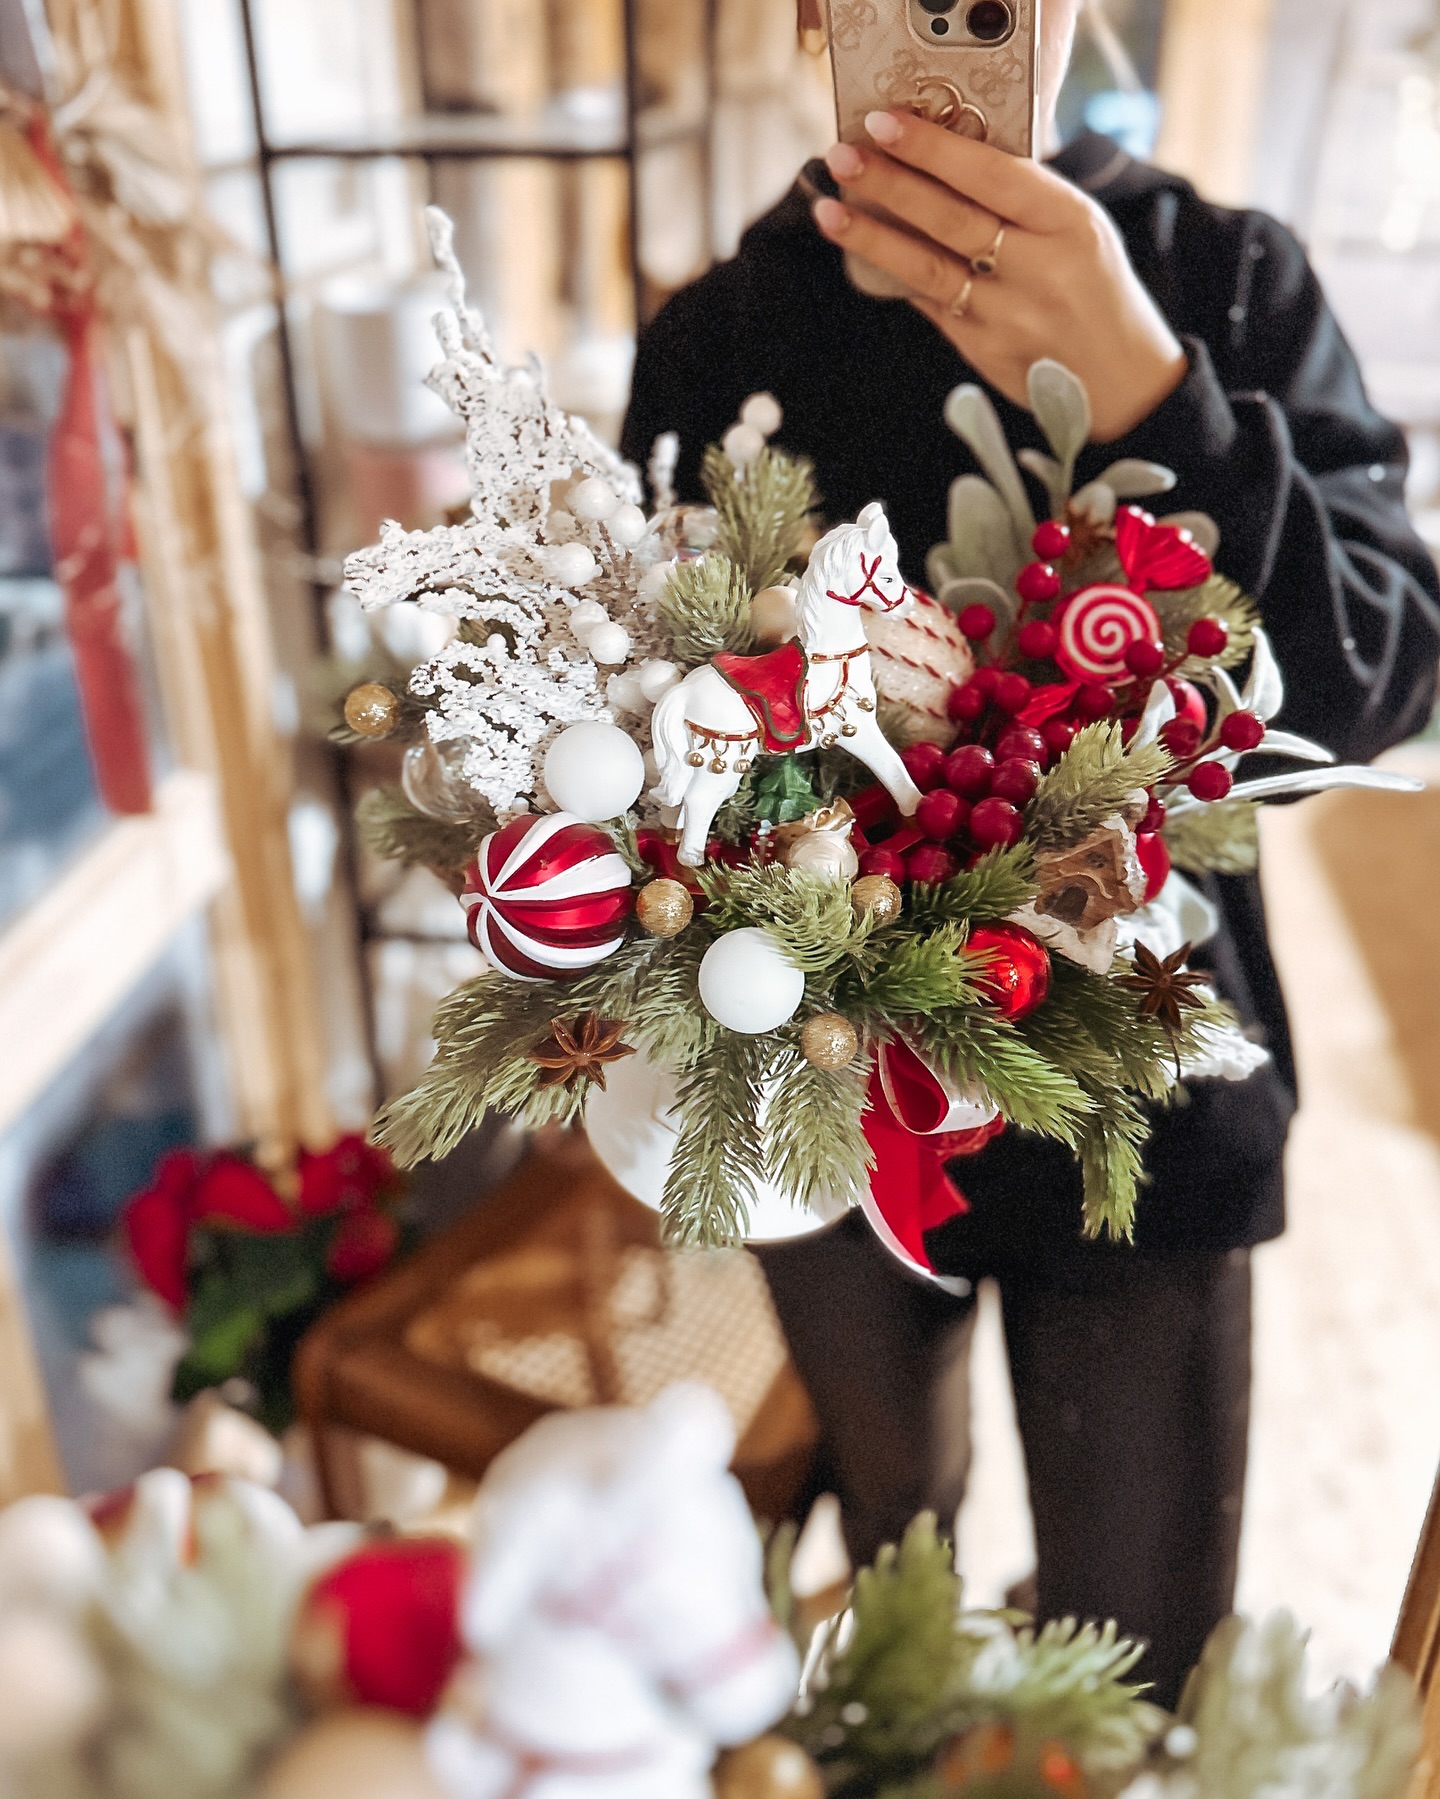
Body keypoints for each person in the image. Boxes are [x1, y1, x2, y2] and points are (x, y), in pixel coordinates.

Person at [620, 0, 1440, 1705]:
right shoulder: (718, 337)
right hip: (818, 1092)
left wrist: (1154, 389)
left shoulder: (1222, 281)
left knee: (1132, 1661)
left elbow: (1382, 680)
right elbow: (645, 710)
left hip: (1144, 1103)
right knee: (894, 1554)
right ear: (812, 15)